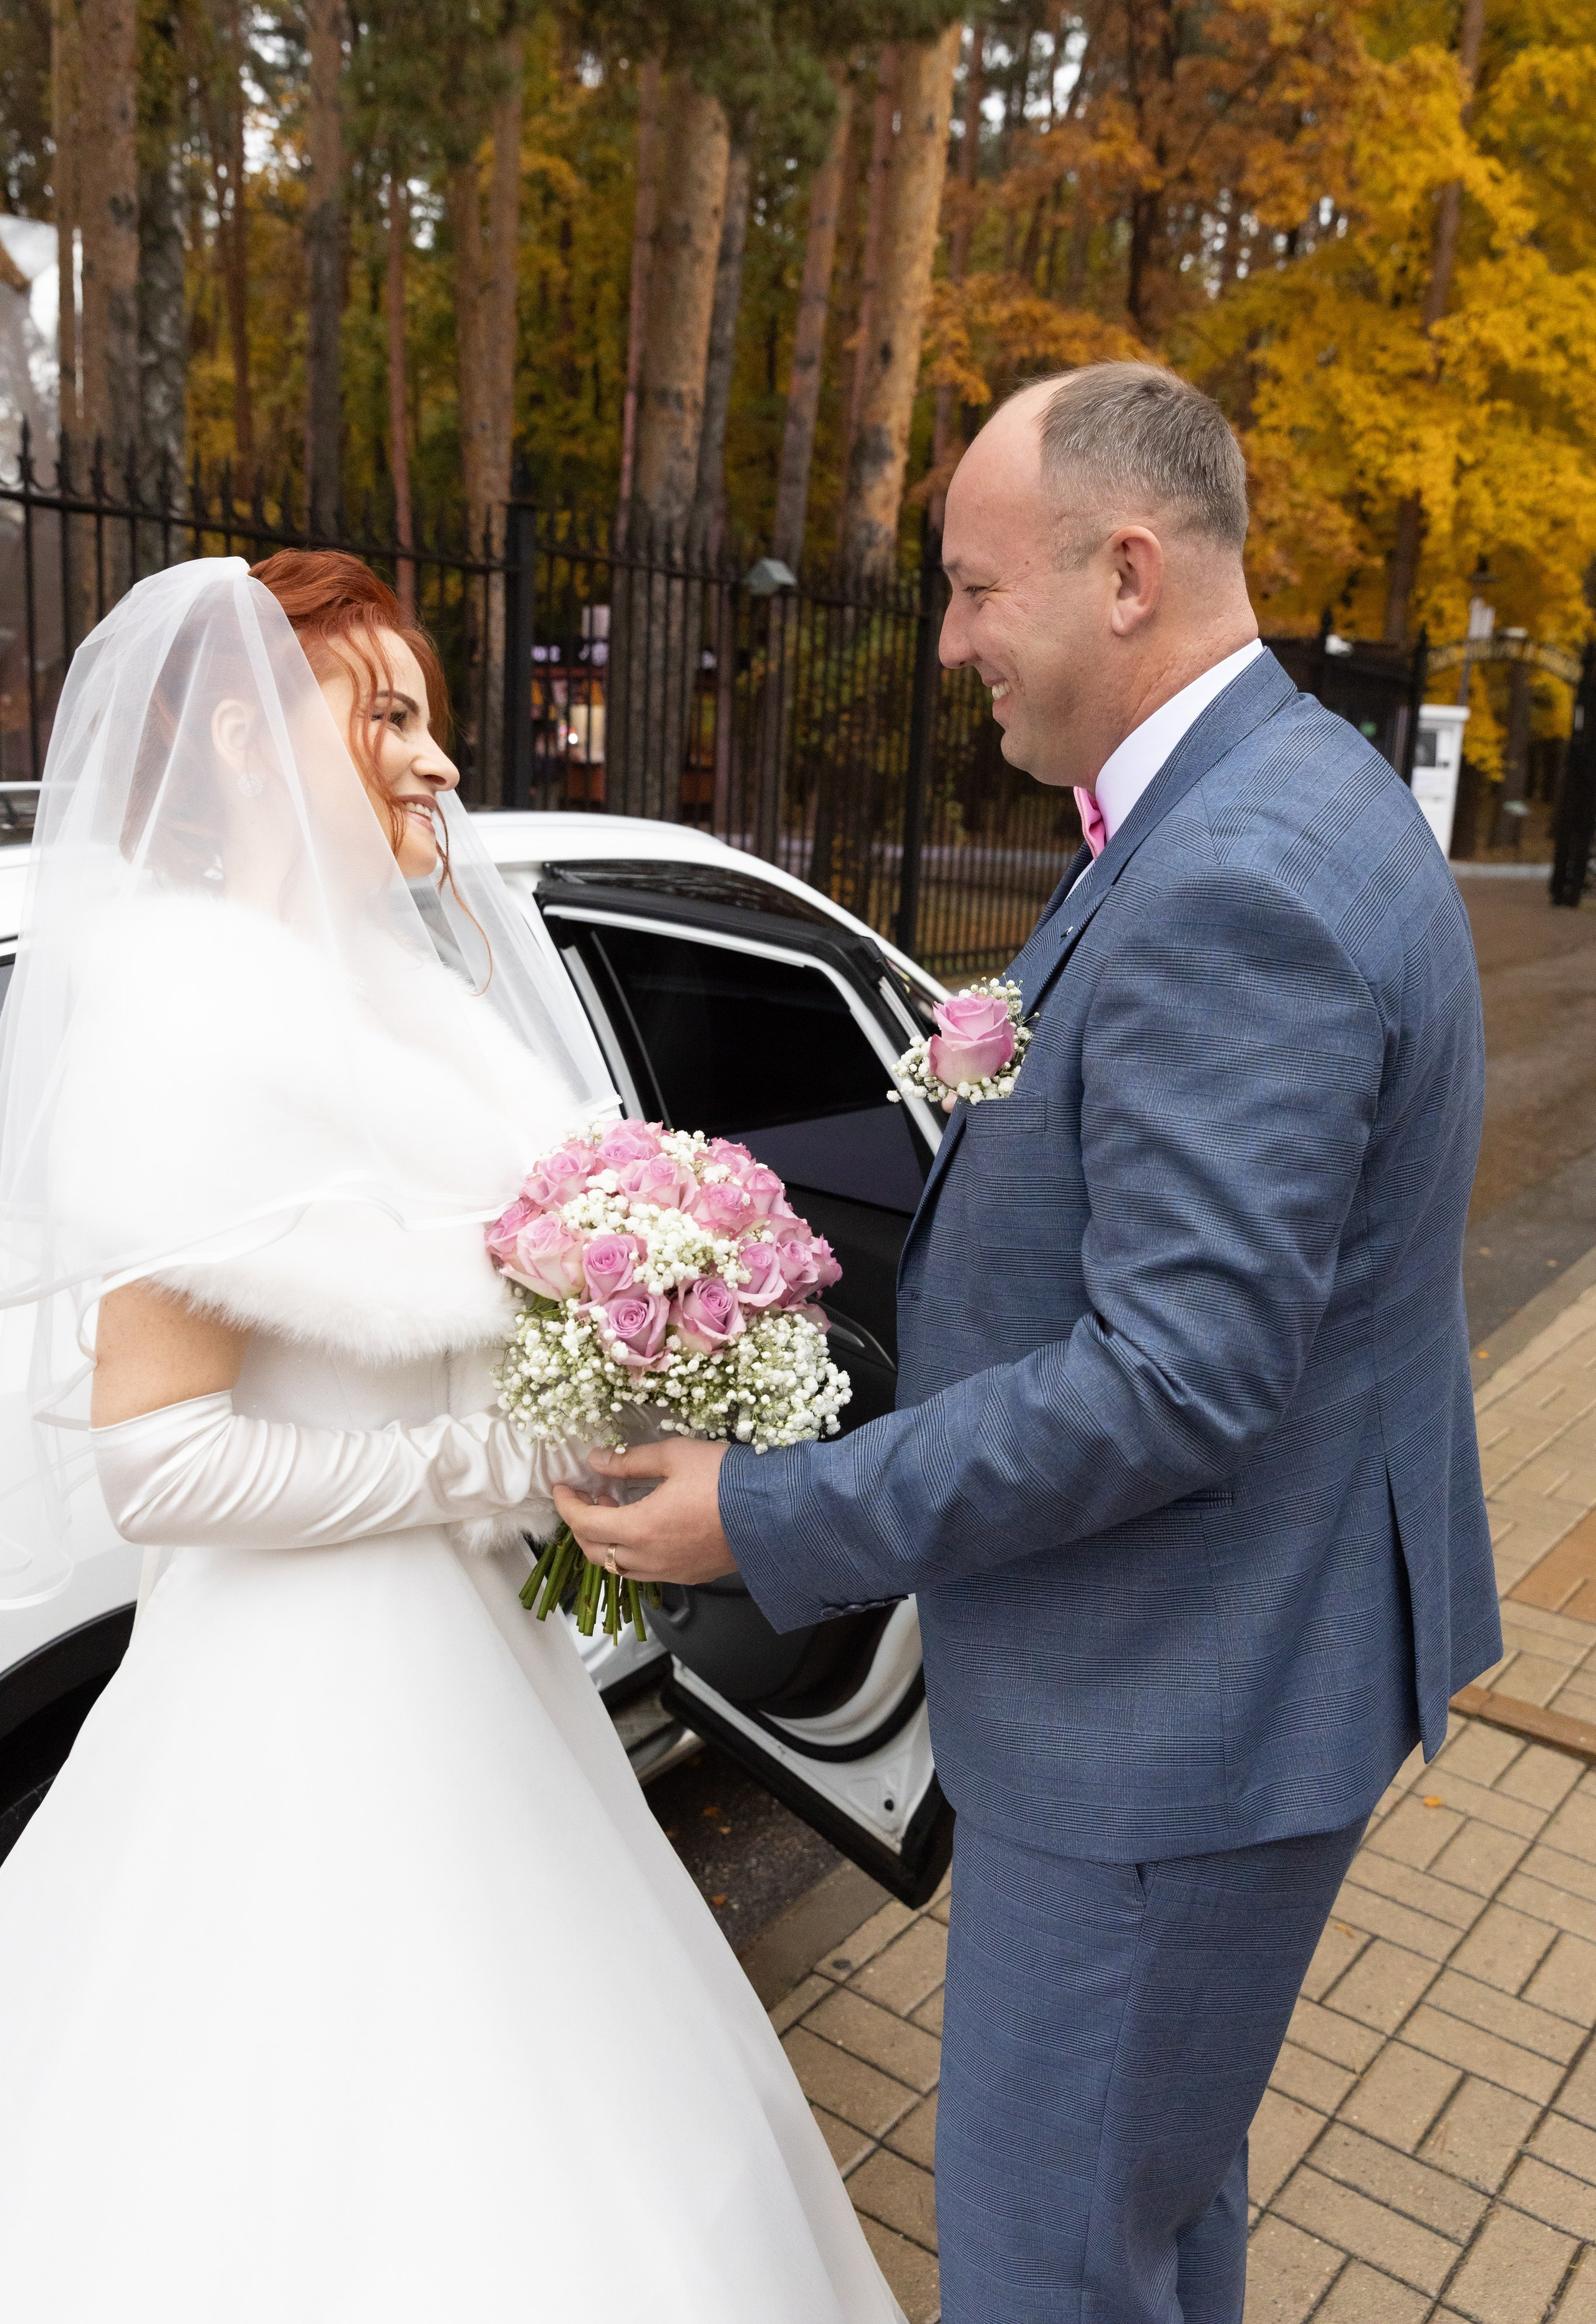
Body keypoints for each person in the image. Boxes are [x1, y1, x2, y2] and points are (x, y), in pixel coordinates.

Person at [556, 362, 1504, 2323]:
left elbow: (1175, 1377)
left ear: (1129, 572)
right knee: (1144, 2216)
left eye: (979, 589)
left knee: (1048, 2262)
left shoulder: (1236, 879)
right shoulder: (1274, 793)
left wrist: (777, 1512)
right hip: (1234, 1665)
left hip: (1170, 1719)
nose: (956, 641)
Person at [0, 552, 904, 2324]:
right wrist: (495, 1472)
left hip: (466, 1661)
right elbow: (158, 1464)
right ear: (258, 744)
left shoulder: (397, 1006)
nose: (439, 761)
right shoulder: (197, 1024)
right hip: (303, 1701)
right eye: (391, 714)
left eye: (431, 720)